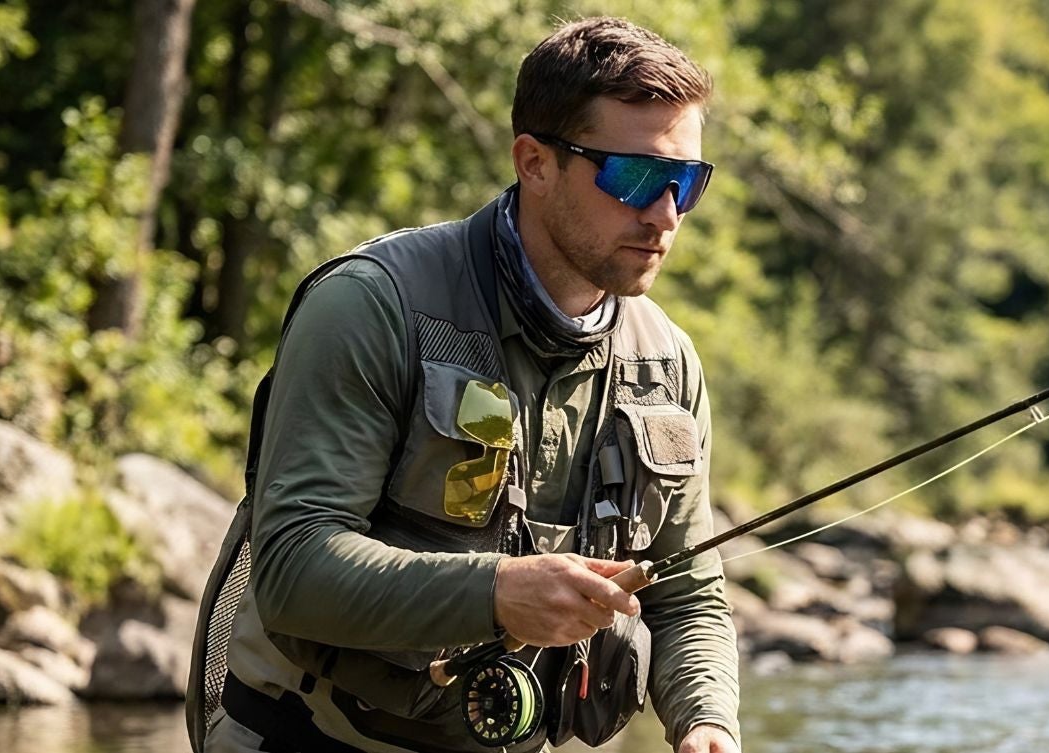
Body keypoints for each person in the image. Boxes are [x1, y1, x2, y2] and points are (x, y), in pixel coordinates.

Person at [187, 17, 739, 753]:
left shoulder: (667, 364)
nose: (666, 214)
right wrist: (497, 593)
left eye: (687, 182)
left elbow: (689, 595)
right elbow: (291, 568)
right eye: (634, 176)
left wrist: (706, 722)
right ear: (534, 162)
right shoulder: (374, 306)